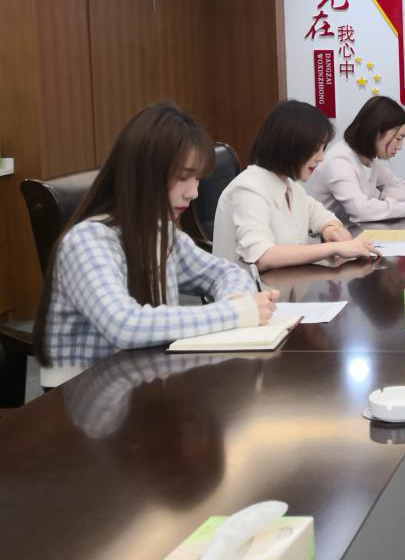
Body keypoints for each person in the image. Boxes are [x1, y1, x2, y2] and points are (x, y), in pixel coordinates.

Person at [33, 102, 277, 388]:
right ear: (143, 172)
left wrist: (234, 300)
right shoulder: (87, 241)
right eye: (183, 177)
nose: (194, 193)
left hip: (143, 381)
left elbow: (226, 271)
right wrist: (234, 313)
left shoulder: (158, 231)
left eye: (197, 179)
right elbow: (125, 325)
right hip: (81, 394)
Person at [213, 100, 378, 270]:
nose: (321, 157)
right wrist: (336, 247)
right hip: (250, 287)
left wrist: (331, 229)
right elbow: (263, 256)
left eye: (323, 148)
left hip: (284, 283)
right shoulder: (248, 189)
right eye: (316, 148)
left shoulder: (290, 185)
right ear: (290, 145)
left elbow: (322, 217)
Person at [306, 95, 405, 223]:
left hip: (348, 236)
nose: (400, 147)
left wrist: (385, 202)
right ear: (376, 132)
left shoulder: (369, 158)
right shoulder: (339, 161)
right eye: (398, 138)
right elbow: (361, 211)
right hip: (322, 240)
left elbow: (399, 185)